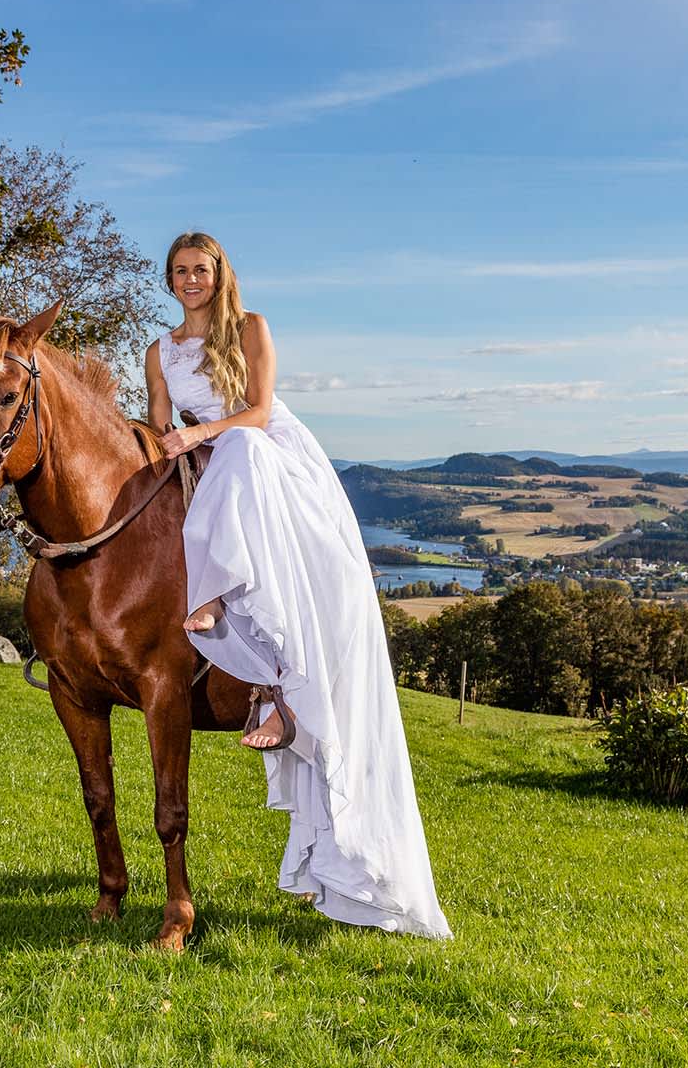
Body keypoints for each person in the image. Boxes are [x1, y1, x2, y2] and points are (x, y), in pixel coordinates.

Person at [147, 231, 451, 940]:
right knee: (212, 465)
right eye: (180, 272)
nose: (191, 280)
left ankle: (257, 658)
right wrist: (163, 442)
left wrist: (200, 436)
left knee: (242, 447)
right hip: (211, 459)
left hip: (268, 456)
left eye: (201, 269)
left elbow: (256, 414)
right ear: (169, 281)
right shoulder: (159, 350)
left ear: (220, 275)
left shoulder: (250, 328)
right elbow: (158, 423)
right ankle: (265, 682)